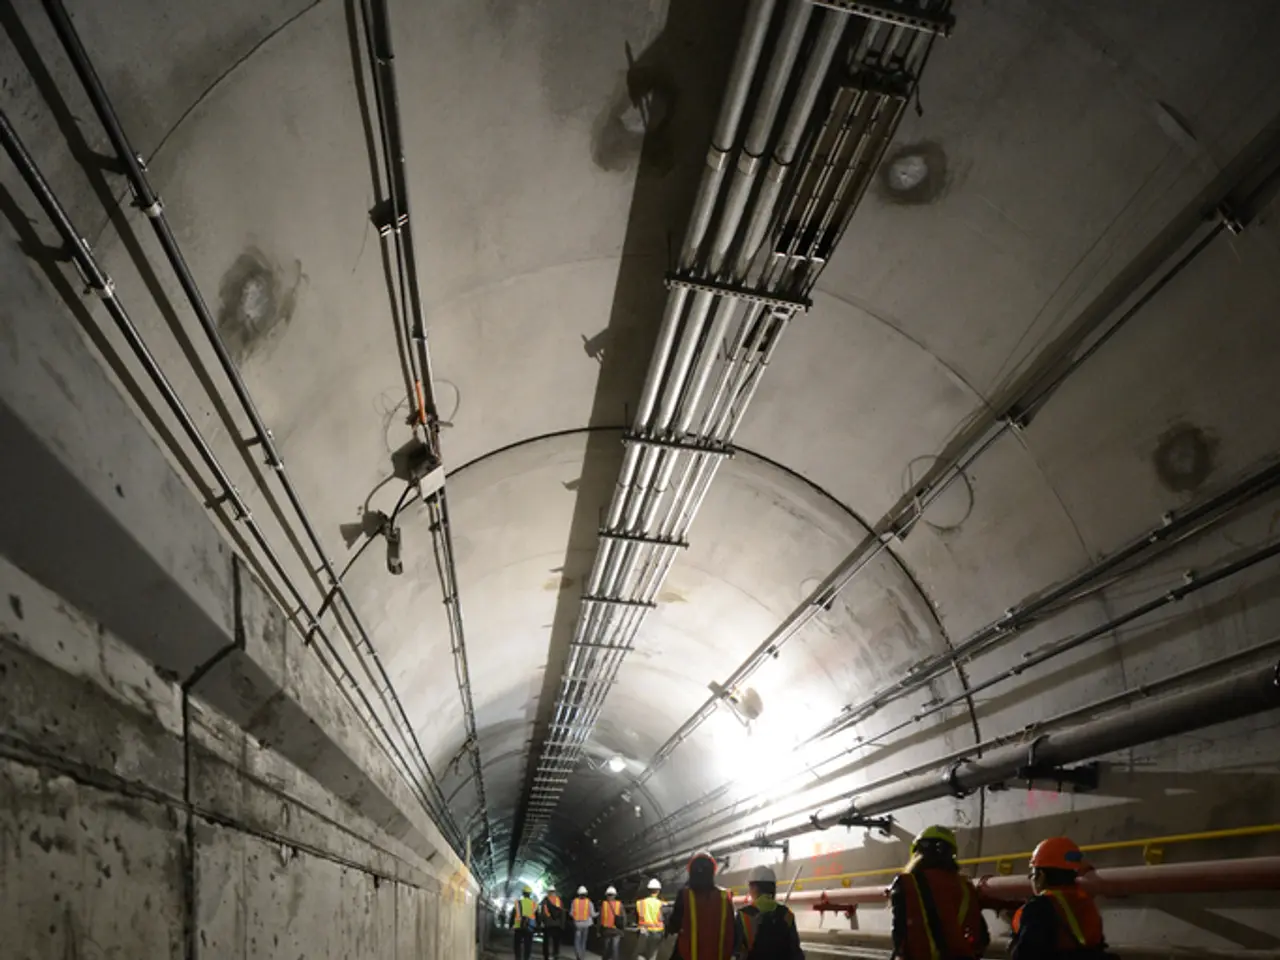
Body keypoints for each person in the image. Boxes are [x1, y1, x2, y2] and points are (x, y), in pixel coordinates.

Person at [889, 825, 988, 960]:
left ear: (916, 852)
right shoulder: (966, 886)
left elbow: (900, 936)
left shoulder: (906, 883)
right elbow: (980, 936)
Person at [1010, 838, 1108, 960]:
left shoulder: (1038, 908)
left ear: (1041, 876)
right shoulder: (1086, 903)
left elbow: (1026, 954)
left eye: (1032, 874)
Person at [666, 850, 736, 960]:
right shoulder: (725, 896)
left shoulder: (684, 895)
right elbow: (732, 930)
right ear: (712, 871)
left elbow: (674, 926)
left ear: (691, 872)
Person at [735, 865, 803, 960]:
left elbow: (737, 951)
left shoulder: (743, 915)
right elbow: (795, 951)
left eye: (750, 887)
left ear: (754, 887)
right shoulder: (787, 914)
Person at [636, 878, 666, 960]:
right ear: (658, 891)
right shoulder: (662, 904)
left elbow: (637, 917)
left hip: (643, 931)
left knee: (641, 954)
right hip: (657, 932)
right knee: (652, 955)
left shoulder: (640, 903)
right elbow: (665, 918)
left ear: (648, 890)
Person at [570, 886, 597, 960]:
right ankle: (582, 957)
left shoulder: (574, 902)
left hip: (578, 925)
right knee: (583, 941)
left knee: (577, 941)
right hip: (586, 925)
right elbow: (593, 914)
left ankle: (578, 956)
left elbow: (571, 913)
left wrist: (576, 916)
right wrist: (599, 913)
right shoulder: (589, 902)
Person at [512, 886, 539, 960]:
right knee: (528, 945)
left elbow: (513, 914)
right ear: (530, 894)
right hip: (529, 927)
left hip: (518, 927)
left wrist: (511, 924)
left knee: (517, 944)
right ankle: (526, 958)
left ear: (523, 893)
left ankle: (518, 958)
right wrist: (538, 927)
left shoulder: (517, 903)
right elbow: (537, 916)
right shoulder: (534, 904)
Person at [541, 884, 566, 960]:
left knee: (546, 942)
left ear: (548, 892)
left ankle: (546, 956)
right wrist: (562, 924)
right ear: (555, 892)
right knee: (556, 942)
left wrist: (543, 922)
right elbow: (562, 913)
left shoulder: (545, 901)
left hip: (548, 924)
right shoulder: (559, 900)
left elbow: (543, 913)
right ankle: (556, 955)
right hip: (557, 925)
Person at [600, 885, 625, 960]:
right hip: (616, 930)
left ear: (606, 895)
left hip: (606, 930)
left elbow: (600, 918)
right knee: (615, 948)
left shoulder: (603, 904)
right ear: (615, 895)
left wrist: (598, 931)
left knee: (606, 948)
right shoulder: (619, 904)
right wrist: (622, 929)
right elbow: (624, 917)